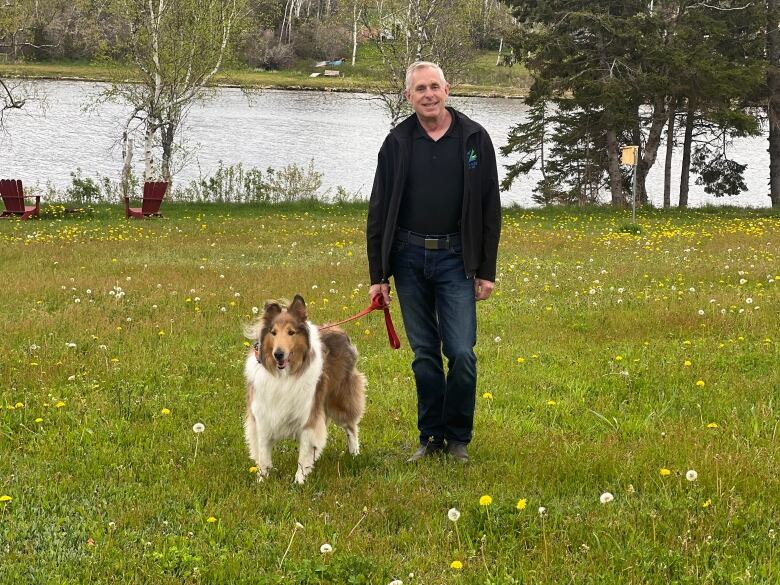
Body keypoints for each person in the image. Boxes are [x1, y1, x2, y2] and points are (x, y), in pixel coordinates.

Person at [366, 61, 501, 463]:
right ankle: (430, 438)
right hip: (407, 260)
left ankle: (458, 438)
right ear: (408, 96)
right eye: (419, 89)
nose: (428, 94)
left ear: (448, 90)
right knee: (425, 353)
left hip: (458, 260)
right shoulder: (397, 142)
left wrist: (486, 271)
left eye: (434, 87)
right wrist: (379, 277)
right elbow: (377, 212)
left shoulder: (474, 139)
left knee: (461, 351)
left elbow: (490, 208)